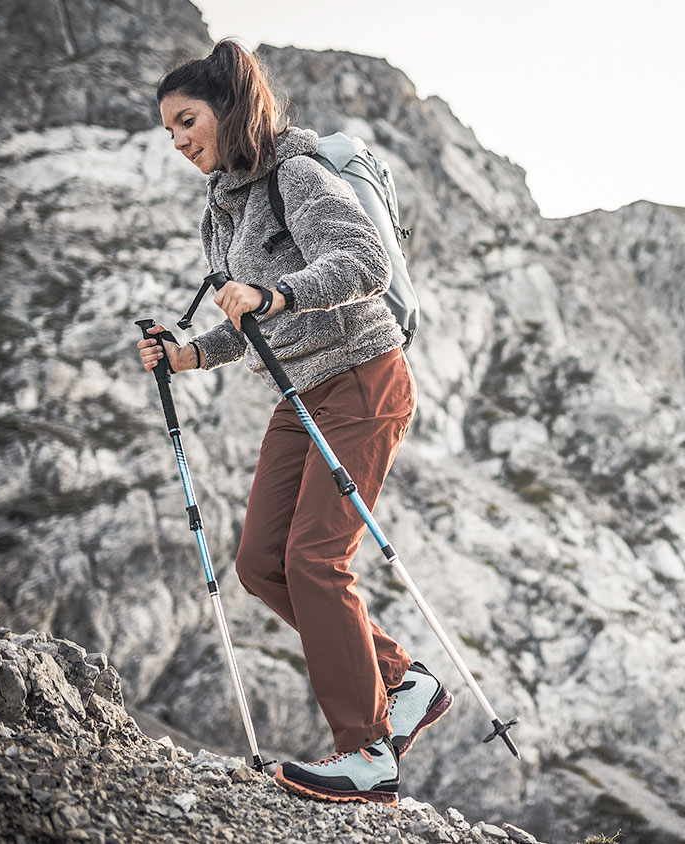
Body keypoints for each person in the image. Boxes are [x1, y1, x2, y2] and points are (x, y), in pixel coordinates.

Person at [137, 39, 450, 804]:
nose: (179, 141)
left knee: (315, 557)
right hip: (300, 392)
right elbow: (248, 320)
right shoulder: (222, 211)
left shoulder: (296, 175)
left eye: (187, 121)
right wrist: (189, 356)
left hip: (365, 378)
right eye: (168, 131)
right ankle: (403, 680)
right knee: (261, 564)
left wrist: (276, 297)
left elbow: (363, 262)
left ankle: (367, 753)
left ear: (227, 109)